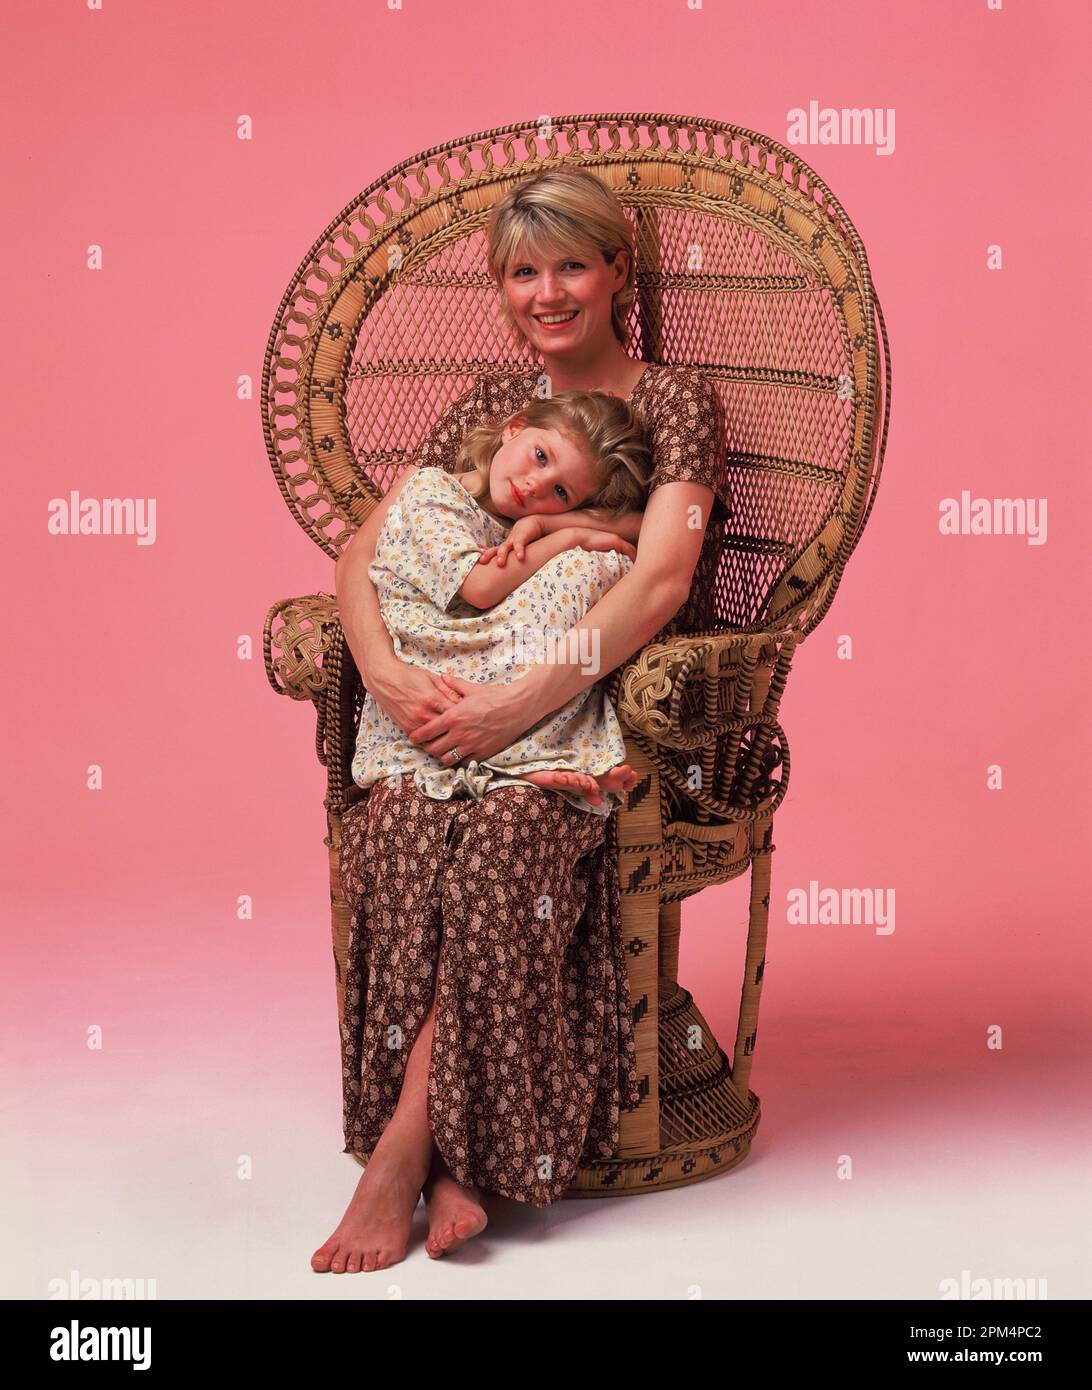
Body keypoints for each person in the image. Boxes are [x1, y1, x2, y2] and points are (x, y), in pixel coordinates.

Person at [313, 166, 732, 1275]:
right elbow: (369, 552)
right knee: (395, 835)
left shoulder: (673, 404)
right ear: (501, 286)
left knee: (507, 851)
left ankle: (404, 1153)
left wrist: (517, 707)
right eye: (522, 270)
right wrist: (393, 680)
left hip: (596, 721)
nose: (549, 292)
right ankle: (464, 1154)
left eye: (572, 264)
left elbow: (661, 580)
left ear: (616, 273)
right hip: (440, 715)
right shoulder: (482, 415)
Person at [352, 388, 655, 817]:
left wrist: (544, 521)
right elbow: (479, 586)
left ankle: (520, 763)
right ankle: (531, 761)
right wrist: (568, 536)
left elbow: (646, 526)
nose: (535, 485)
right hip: (428, 653)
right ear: (514, 428)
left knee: (602, 567)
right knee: (580, 559)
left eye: (562, 492)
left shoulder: (522, 526)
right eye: (541, 456)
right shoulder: (432, 489)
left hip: (488, 655)